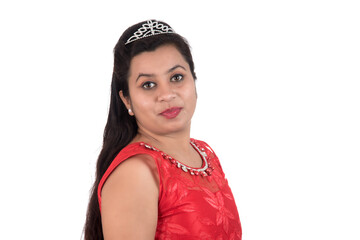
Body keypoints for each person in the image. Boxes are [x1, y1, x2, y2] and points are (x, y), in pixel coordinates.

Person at [84, 19, 242, 240]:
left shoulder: (205, 153)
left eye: (176, 77)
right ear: (126, 99)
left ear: (194, 80)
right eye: (148, 84)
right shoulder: (136, 172)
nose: (167, 94)